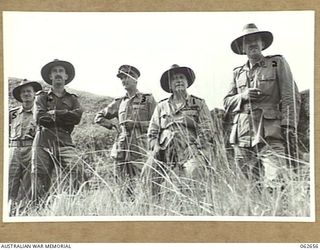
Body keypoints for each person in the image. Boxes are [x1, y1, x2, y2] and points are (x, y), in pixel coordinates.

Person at [224, 23, 301, 192]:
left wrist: (289, 126)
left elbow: (290, 96)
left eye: (255, 40)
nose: (252, 44)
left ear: (262, 44)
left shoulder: (276, 63)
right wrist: (242, 96)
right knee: (251, 186)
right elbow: (227, 102)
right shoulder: (237, 73)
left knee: (275, 181)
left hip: (270, 132)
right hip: (242, 136)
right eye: (247, 41)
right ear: (242, 48)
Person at [147, 64, 215, 197]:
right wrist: (156, 148)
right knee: (149, 173)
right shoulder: (161, 106)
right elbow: (152, 131)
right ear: (170, 85)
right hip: (165, 151)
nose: (178, 80)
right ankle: (153, 209)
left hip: (191, 149)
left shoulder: (199, 103)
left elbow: (207, 129)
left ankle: (193, 207)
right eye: (174, 79)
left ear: (187, 82)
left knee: (193, 171)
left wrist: (196, 147)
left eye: (182, 77)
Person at [94, 64, 157, 197]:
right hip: (121, 150)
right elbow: (98, 117)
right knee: (122, 187)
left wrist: (137, 124)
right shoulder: (119, 102)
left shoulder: (147, 99)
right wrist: (111, 125)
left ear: (135, 79)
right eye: (121, 78)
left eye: (127, 77)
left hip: (141, 148)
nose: (124, 80)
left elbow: (157, 124)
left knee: (145, 183)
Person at [32, 59, 84, 202]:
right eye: (55, 71)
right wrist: (67, 114)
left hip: (64, 139)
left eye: (61, 71)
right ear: (50, 77)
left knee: (77, 169)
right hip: (43, 140)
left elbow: (77, 118)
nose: (58, 74)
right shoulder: (41, 96)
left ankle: (70, 203)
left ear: (66, 76)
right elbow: (40, 117)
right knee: (40, 175)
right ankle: (38, 210)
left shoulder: (73, 99)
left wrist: (55, 113)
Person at [8, 79, 42, 211]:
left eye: (29, 91)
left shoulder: (39, 112)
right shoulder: (12, 113)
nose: (26, 94)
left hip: (32, 149)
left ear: (34, 94)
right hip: (14, 149)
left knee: (29, 181)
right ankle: (8, 210)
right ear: (20, 96)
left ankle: (24, 211)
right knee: (10, 181)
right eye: (23, 92)